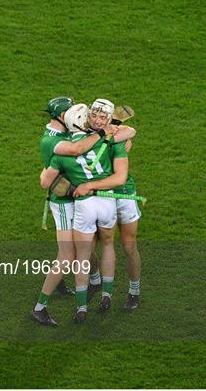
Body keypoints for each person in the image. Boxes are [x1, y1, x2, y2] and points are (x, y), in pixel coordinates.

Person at [31, 97, 135, 327]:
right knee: (68, 256)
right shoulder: (52, 142)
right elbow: (48, 177)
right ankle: (40, 307)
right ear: (61, 116)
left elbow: (127, 131)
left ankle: (92, 282)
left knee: (82, 250)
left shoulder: (72, 131)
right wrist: (106, 137)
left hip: (78, 201)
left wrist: (120, 138)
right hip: (65, 202)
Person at [75, 99, 142, 311]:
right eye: (93, 115)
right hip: (99, 197)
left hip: (122, 195)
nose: (96, 120)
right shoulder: (85, 134)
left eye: (102, 117)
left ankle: (134, 291)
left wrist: (123, 134)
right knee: (88, 246)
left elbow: (130, 130)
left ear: (109, 118)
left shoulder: (118, 136)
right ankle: (95, 280)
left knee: (129, 245)